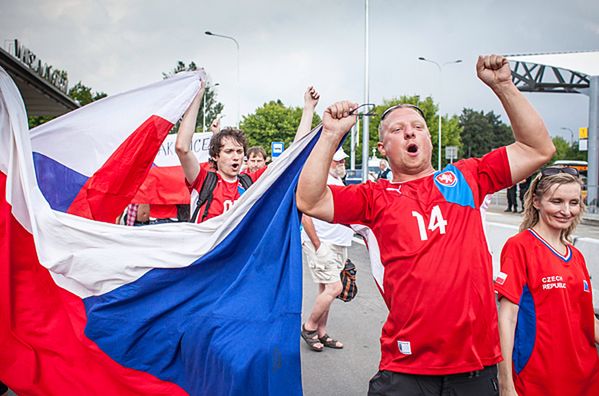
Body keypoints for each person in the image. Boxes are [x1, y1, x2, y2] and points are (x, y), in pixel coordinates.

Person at [296, 55, 555, 395]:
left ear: (429, 138)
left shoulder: (467, 177)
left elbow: (538, 148)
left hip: (475, 367)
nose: (409, 132)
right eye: (397, 130)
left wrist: (504, 86)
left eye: (417, 126)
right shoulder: (375, 196)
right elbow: (309, 200)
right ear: (383, 148)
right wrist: (330, 136)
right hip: (406, 368)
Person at [495, 167, 599, 396]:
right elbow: (507, 319)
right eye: (557, 201)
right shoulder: (519, 247)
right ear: (536, 201)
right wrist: (506, 384)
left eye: (573, 202)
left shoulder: (576, 256)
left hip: (586, 379)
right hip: (538, 382)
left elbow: (587, 319)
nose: (566, 210)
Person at [176, 80, 320, 223]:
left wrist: (308, 109)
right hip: (209, 246)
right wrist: (198, 95)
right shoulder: (203, 180)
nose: (236, 157)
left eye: (239, 152)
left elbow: (292, 158)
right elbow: (182, 148)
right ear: (215, 156)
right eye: (229, 151)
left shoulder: (250, 182)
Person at [300, 148, 353, 352]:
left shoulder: (338, 181)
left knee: (325, 289)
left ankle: (322, 332)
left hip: (338, 243)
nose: (341, 164)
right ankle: (309, 327)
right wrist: (318, 245)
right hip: (322, 243)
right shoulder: (318, 181)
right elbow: (305, 215)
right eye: (337, 161)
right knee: (334, 288)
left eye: (342, 161)